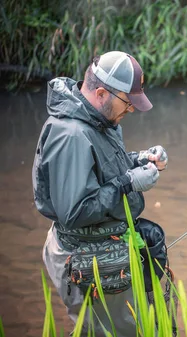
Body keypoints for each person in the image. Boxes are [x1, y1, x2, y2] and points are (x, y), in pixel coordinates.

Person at [32, 50, 169, 336]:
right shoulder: (70, 135)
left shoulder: (101, 121)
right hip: (82, 258)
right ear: (102, 93)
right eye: (127, 102)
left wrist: (140, 159)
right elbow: (75, 212)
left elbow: (103, 168)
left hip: (105, 250)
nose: (131, 110)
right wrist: (129, 183)